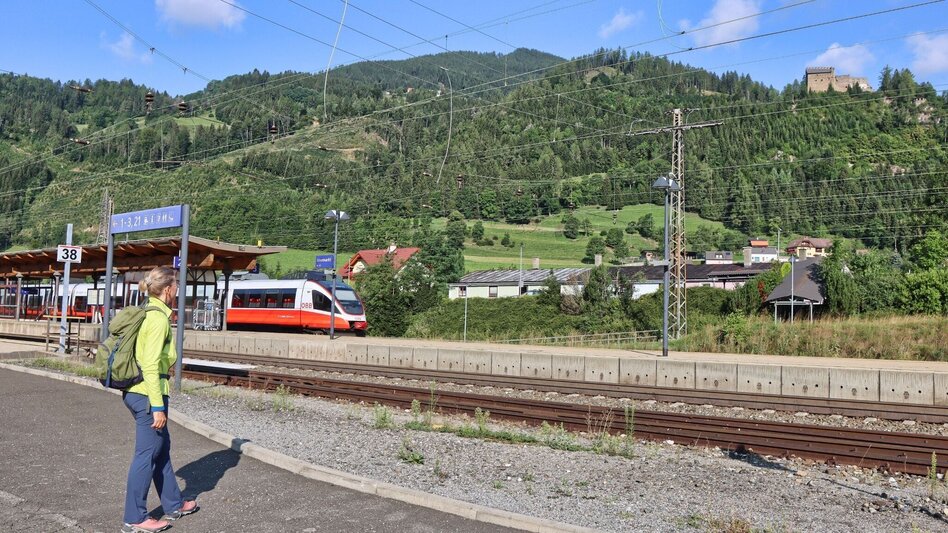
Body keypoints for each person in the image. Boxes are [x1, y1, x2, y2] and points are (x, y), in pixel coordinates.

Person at [121, 266, 198, 533]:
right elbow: (151, 365)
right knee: (145, 455)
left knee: (161, 448)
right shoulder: (157, 319)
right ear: (168, 290)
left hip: (141, 391)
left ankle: (174, 503)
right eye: (176, 285)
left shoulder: (149, 311)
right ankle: (135, 518)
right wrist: (157, 407)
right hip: (146, 394)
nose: (178, 289)